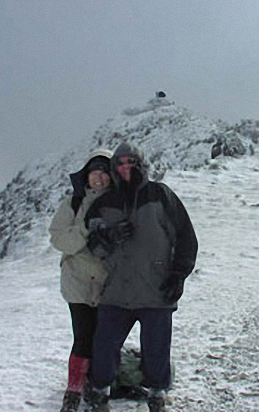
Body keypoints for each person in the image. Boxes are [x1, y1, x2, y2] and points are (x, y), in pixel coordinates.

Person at [83, 142, 198, 412]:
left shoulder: (161, 195)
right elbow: (94, 247)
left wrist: (178, 275)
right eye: (120, 163)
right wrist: (108, 237)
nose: (125, 168)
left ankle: (157, 396)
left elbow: (186, 238)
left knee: (156, 350)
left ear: (140, 164)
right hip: (116, 291)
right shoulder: (104, 204)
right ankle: (100, 394)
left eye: (130, 162)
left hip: (156, 289)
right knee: (104, 346)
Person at [49, 148, 114, 412]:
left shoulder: (121, 202)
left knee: (104, 339)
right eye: (94, 172)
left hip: (108, 283)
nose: (98, 178)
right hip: (77, 281)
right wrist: (86, 229)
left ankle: (96, 387)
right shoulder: (73, 202)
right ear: (86, 175)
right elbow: (58, 238)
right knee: (83, 337)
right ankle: (73, 391)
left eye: (104, 172)